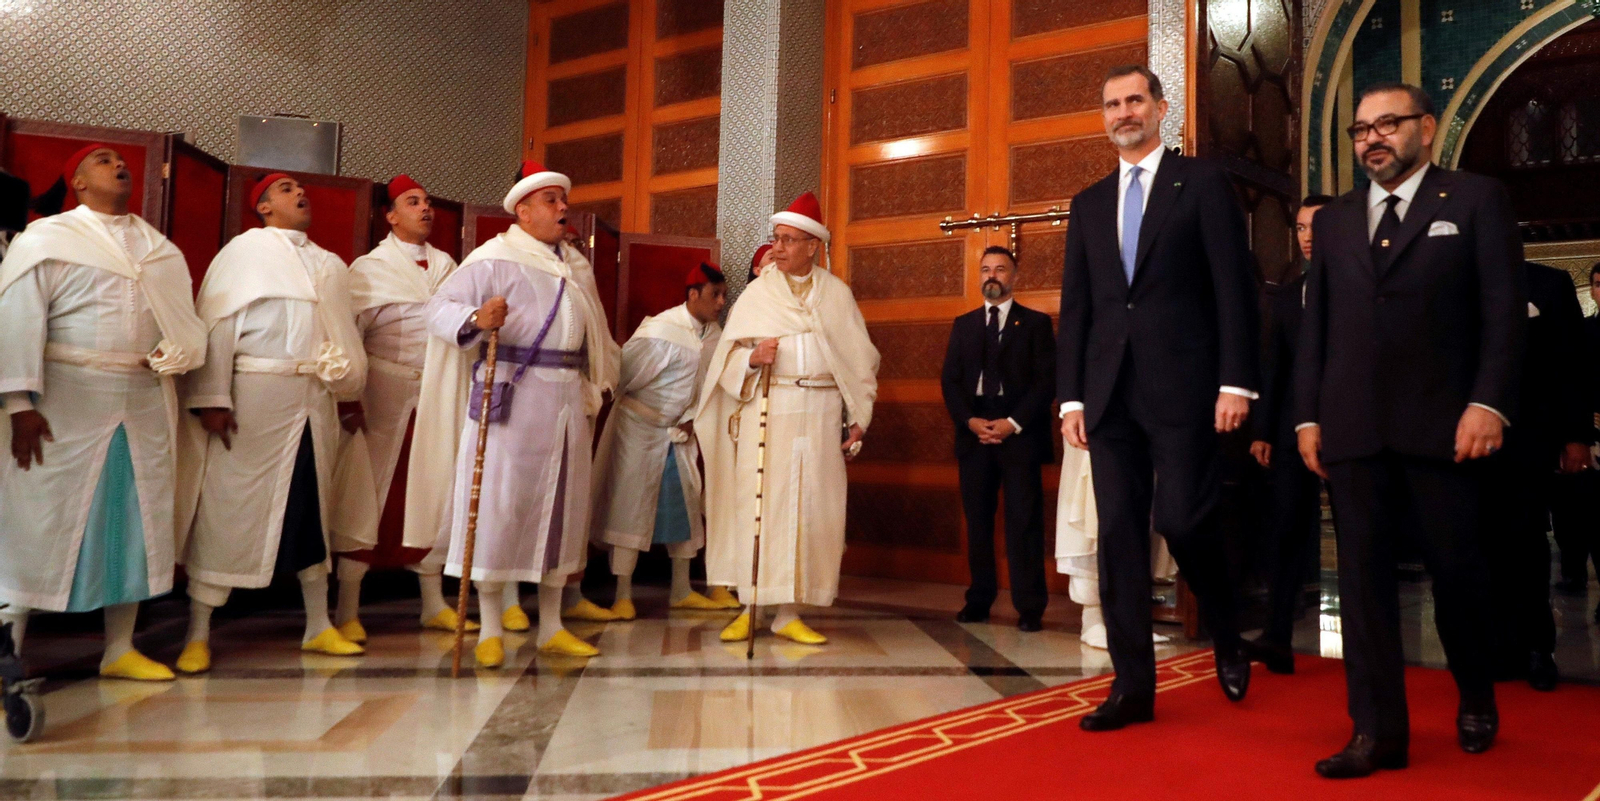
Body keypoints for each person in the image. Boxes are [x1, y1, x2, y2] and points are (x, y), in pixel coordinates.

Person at [1295, 82, 1525, 777]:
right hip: (1355, 429)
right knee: (1363, 587)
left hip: (1445, 427)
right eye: (1361, 130)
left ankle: (1476, 694)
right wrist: (1309, 414)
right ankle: (1376, 732)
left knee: (1457, 574)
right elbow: (1318, 329)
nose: (1372, 139)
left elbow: (1504, 314)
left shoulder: (1476, 199)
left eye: (1387, 124)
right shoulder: (1334, 221)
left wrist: (1488, 403)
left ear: (1425, 126)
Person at [1056, 65, 1258, 732]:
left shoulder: (1200, 183)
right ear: (1103, 116)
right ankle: (1132, 687)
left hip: (1187, 388)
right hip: (1108, 395)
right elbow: (1079, 309)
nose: (1123, 112)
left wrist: (1236, 381)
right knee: (1117, 537)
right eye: (1111, 103)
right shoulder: (1087, 204)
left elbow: (1235, 288)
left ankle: (1226, 621)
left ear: (1161, 108)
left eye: (1134, 100)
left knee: (1181, 517)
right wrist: (1070, 399)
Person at [0, 144, 207, 680]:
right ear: (77, 183)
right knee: (37, 517)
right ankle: (8, 652)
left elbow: (187, 327)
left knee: (135, 518)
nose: (119, 165)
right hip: (65, 396)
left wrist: (179, 353)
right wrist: (19, 403)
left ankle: (119, 649)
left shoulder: (160, 250)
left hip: (143, 397)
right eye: (102, 160)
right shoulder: (49, 238)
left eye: (122, 160)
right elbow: (18, 317)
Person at [409, 161, 619, 667]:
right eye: (551, 201)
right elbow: (437, 309)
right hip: (512, 398)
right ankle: (491, 628)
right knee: (500, 507)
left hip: (568, 400)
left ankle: (551, 625)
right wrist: (477, 318)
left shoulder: (574, 264)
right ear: (523, 211)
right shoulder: (493, 258)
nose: (563, 208)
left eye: (563, 200)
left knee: (562, 513)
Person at [180, 173, 370, 673]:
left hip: (314, 399)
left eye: (300, 189)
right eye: (285, 189)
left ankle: (318, 625)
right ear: (262, 206)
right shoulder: (242, 254)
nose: (299, 194)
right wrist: (212, 396)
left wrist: (348, 389)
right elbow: (217, 325)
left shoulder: (329, 265)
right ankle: (197, 632)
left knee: (312, 502)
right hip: (253, 395)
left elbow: (342, 333)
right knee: (230, 504)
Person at [697, 192, 879, 646]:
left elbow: (860, 362)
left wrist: (859, 418)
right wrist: (752, 359)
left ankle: (790, 611)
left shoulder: (837, 295)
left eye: (788, 240)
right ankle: (750, 605)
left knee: (809, 511)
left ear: (812, 246)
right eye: (775, 239)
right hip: (768, 412)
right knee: (761, 508)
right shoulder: (759, 295)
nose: (777, 248)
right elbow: (724, 361)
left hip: (819, 415)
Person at [328, 175, 474, 643]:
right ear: (390, 216)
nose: (425, 208)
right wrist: (349, 397)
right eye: (413, 202)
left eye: (429, 202)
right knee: (367, 491)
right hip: (383, 389)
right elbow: (347, 334)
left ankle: (433, 603)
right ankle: (347, 608)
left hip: (437, 393)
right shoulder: (368, 269)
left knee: (430, 485)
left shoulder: (450, 265)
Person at [586, 263, 738, 617]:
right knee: (630, 506)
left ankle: (682, 589)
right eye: (715, 295)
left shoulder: (715, 336)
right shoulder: (661, 330)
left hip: (679, 434)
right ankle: (623, 593)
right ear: (693, 295)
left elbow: (713, 384)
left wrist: (689, 418)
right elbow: (624, 376)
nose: (721, 303)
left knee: (685, 505)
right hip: (639, 431)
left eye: (724, 295)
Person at [1481, 261, 1592, 691]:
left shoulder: (1547, 282)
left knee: (1525, 542)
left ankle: (1536, 647)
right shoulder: (1447, 274)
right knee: (1475, 547)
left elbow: (1571, 362)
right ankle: (1493, 647)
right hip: (1456, 437)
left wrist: (1575, 436)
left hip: (1527, 433)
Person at [940, 246, 1054, 631]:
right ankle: (979, 600)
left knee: (1024, 522)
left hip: (1019, 435)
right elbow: (950, 381)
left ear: (1014, 276)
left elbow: (1046, 383)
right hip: (974, 436)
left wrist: (1013, 422)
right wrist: (970, 421)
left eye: (1000, 269)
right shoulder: (964, 324)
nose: (992, 275)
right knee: (978, 522)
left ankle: (1030, 607)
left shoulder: (1036, 324)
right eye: (986, 269)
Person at [1242, 194, 1333, 674]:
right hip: (1290, 428)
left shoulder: (1361, 283)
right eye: (1299, 228)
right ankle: (1277, 634)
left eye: (1316, 226)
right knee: (1285, 530)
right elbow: (1273, 365)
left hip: (1349, 427)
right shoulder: (1290, 291)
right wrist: (1264, 430)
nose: (1308, 236)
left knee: (1361, 536)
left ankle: (1366, 638)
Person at [1550, 260, 1600, 607]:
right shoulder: (1583, 331)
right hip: (1588, 431)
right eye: (1596, 283)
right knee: (1573, 508)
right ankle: (1573, 573)